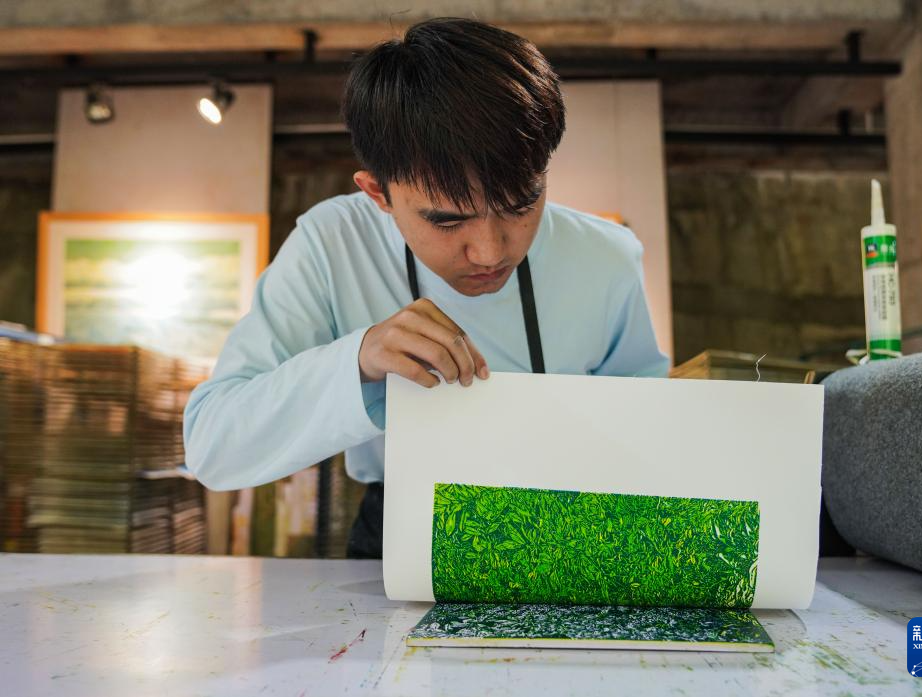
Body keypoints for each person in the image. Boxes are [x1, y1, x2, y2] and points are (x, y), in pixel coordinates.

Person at [183, 17, 669, 559]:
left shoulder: (606, 257)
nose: (490, 252)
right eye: (447, 220)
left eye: (521, 204)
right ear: (378, 194)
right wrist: (357, 360)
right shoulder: (332, 243)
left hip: (573, 528)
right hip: (401, 529)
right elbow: (213, 447)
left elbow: (647, 431)